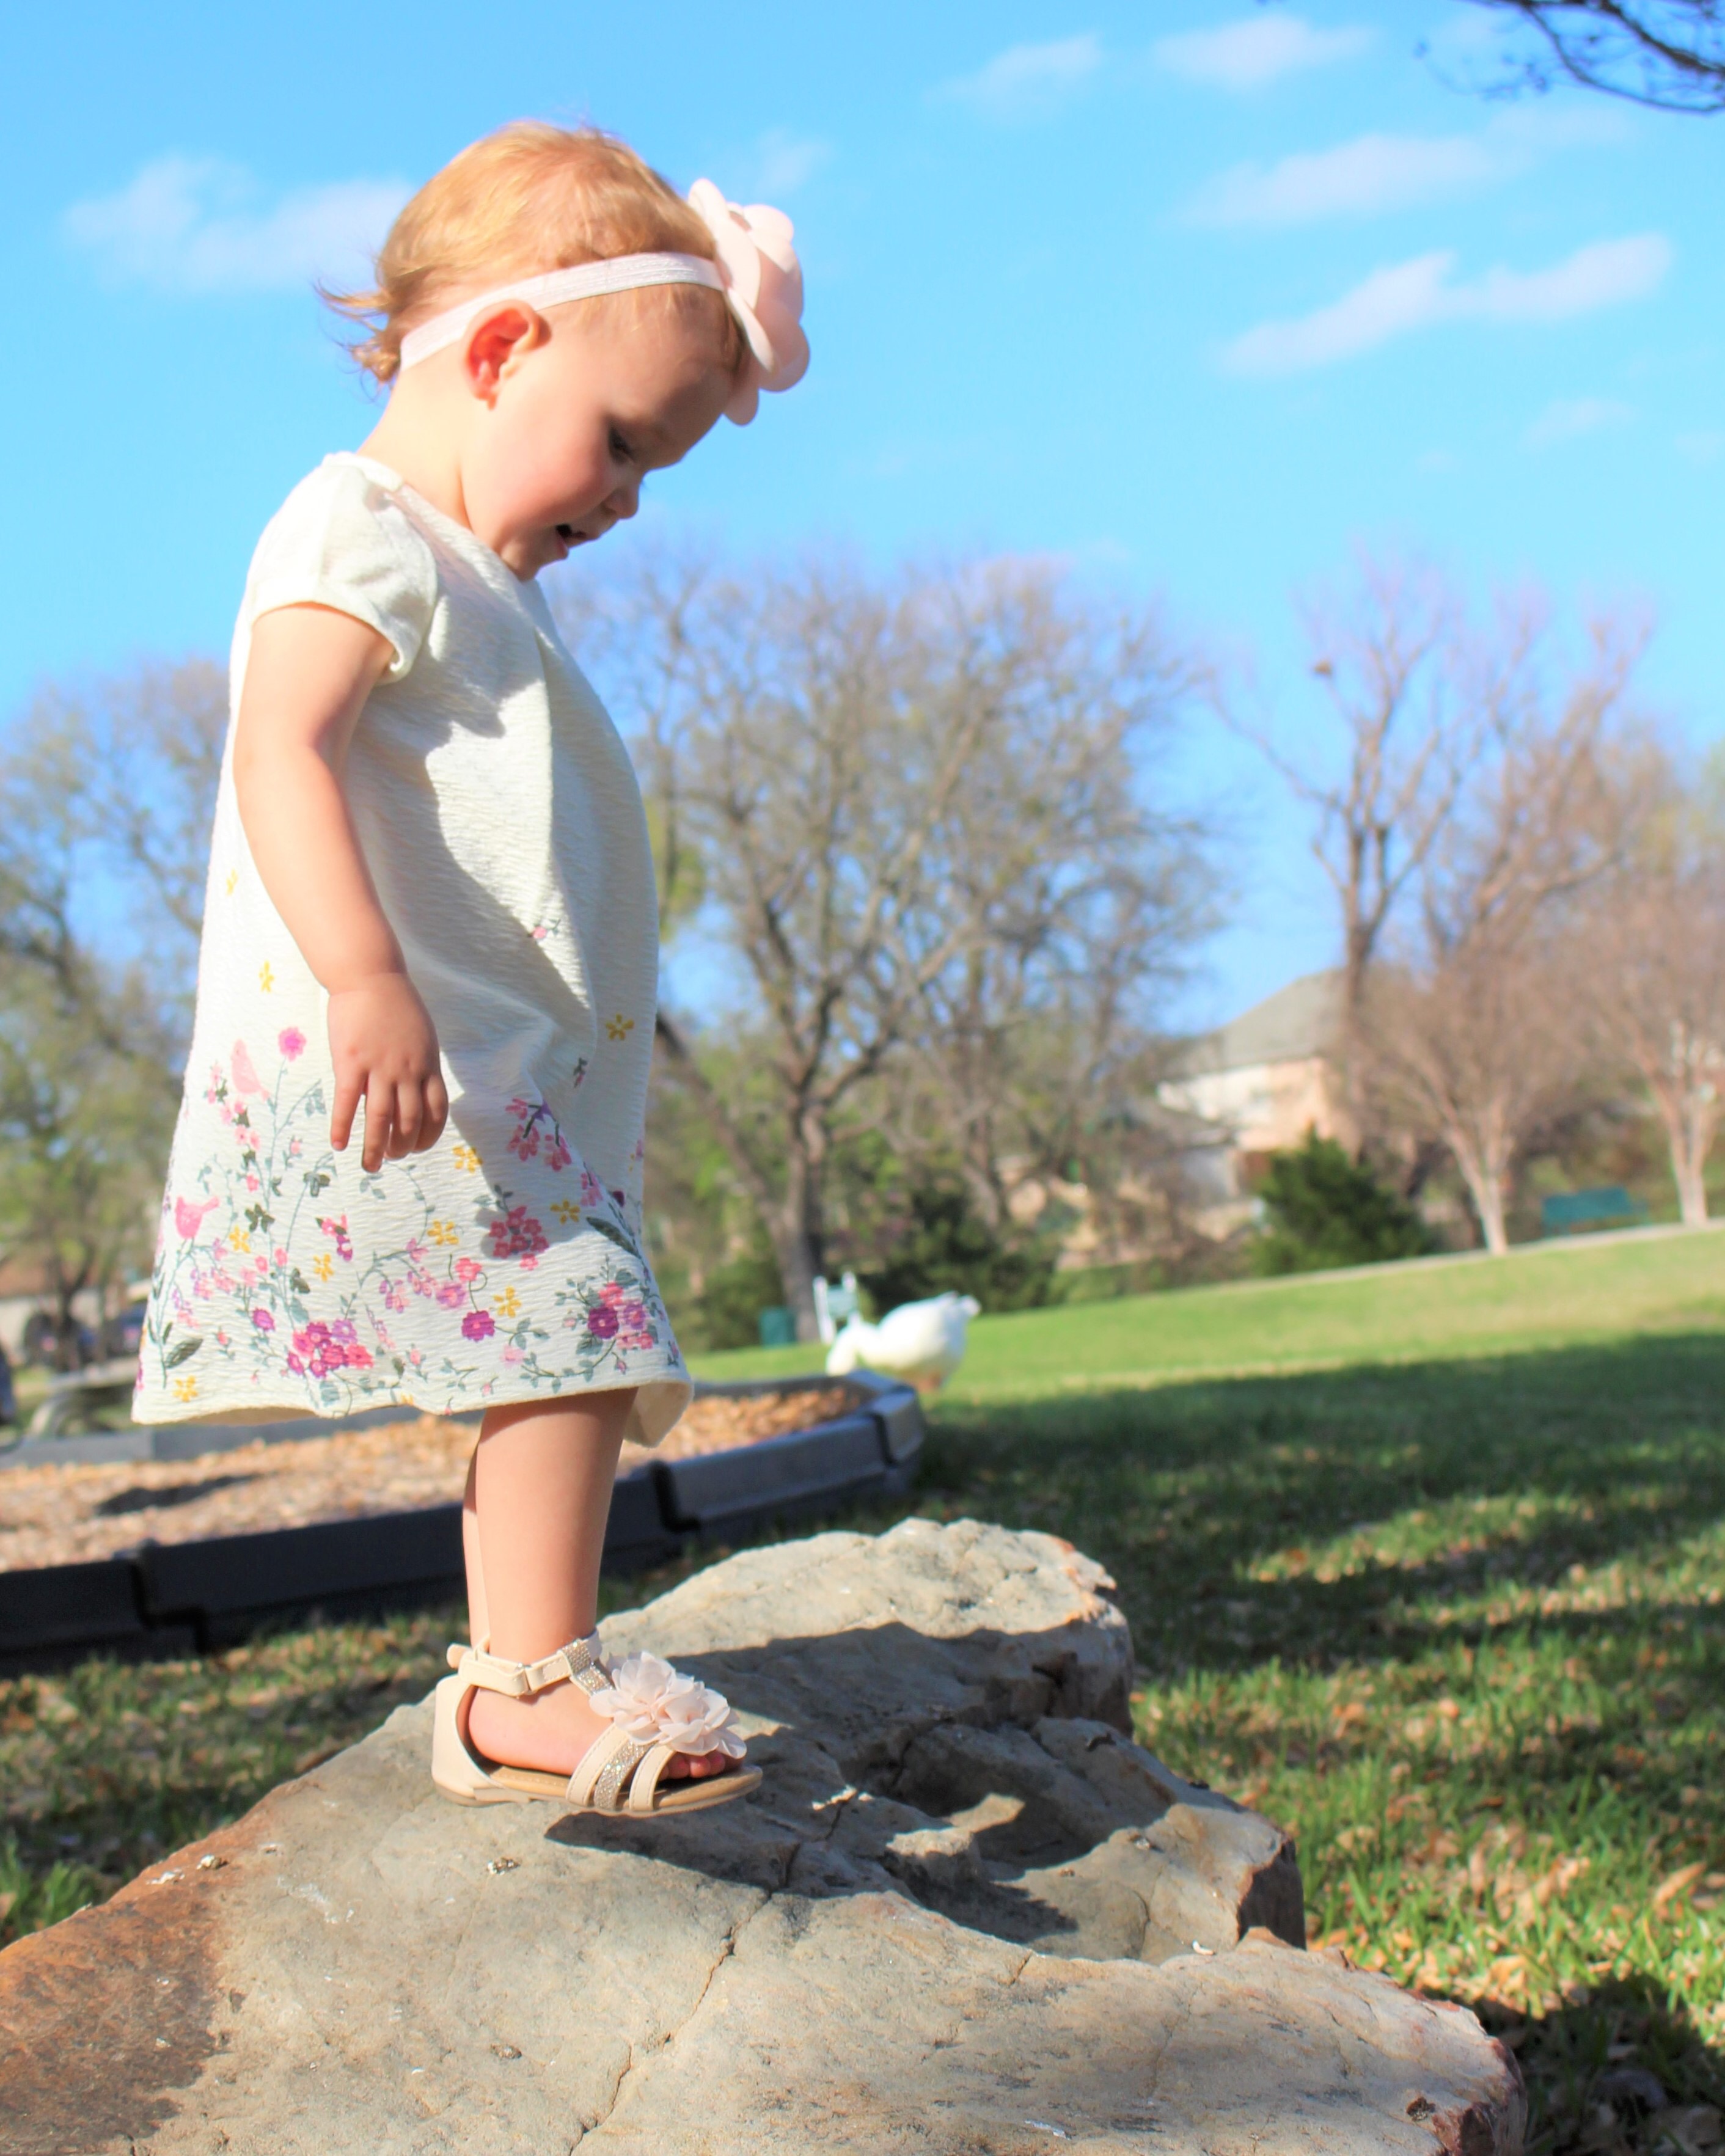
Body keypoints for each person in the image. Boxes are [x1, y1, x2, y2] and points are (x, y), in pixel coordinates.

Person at [133, 122, 807, 1819]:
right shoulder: (353, 527)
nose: (627, 499)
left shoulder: (475, 573)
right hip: (400, 1053)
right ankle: (522, 1689)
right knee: (574, 1323)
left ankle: (526, 1673)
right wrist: (364, 977)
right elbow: (280, 747)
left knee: (559, 1340)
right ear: (502, 349)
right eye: (620, 442)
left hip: (493, 1062)